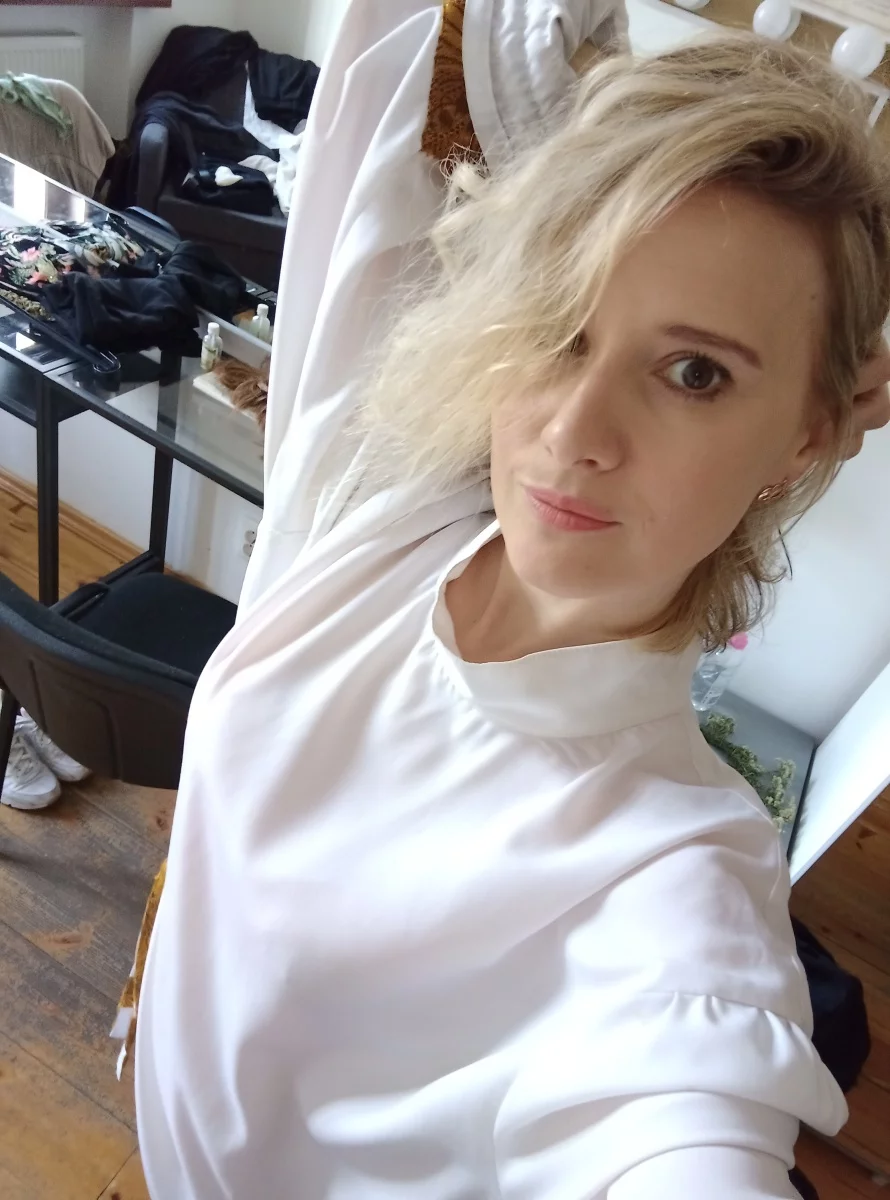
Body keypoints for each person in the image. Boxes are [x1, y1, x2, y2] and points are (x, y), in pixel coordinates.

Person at [133, 6, 890, 1198]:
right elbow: (422, 49)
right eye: (561, 327)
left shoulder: (667, 880)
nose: (573, 433)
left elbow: (680, 1125)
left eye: (693, 372)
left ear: (805, 435)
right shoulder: (385, 509)